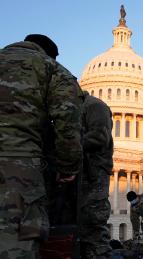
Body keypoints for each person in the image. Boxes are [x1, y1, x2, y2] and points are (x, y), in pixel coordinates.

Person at [0, 34, 83, 258]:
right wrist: (67, 168)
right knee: (16, 244)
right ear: (51, 55)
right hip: (19, 166)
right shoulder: (52, 69)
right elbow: (67, 124)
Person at [79, 91, 114, 258]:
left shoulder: (94, 105)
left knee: (93, 226)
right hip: (78, 172)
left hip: (93, 172)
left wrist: (67, 144)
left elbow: (99, 137)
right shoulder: (75, 107)